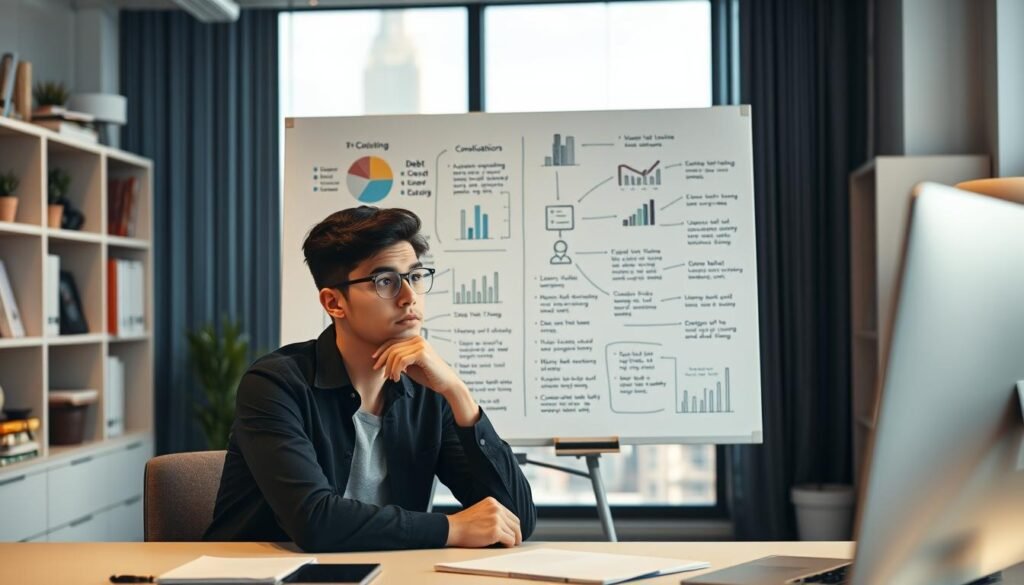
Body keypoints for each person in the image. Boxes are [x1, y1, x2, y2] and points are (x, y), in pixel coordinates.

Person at [204, 206, 536, 552]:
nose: (409, 297)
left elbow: (516, 520)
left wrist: (459, 395)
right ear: (334, 303)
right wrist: (451, 528)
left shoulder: (429, 392)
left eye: (416, 276)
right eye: (385, 282)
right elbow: (315, 522)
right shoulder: (275, 385)